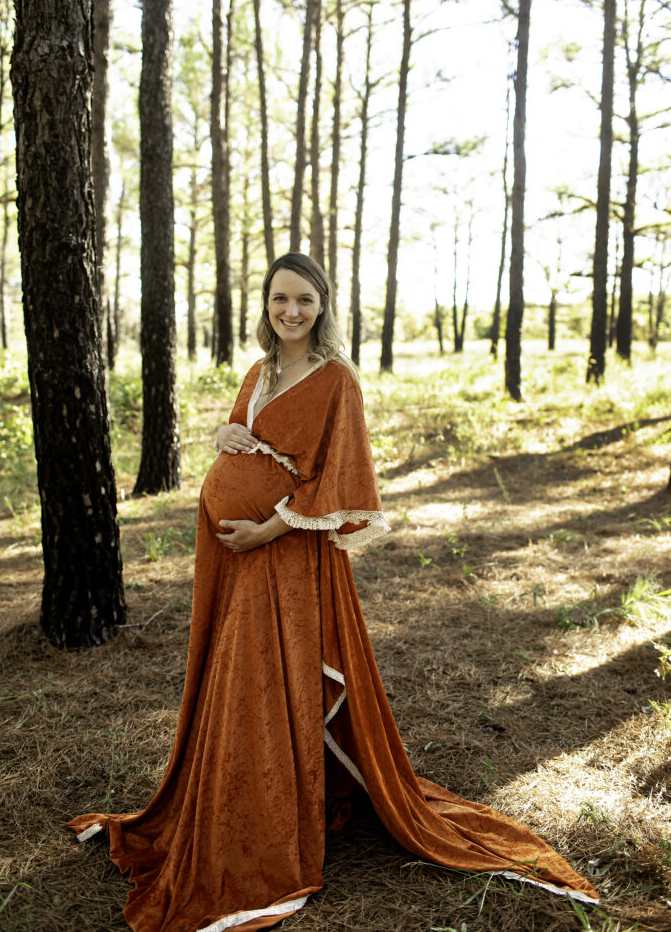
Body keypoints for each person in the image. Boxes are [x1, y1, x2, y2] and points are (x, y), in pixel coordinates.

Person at [70, 254, 597, 932]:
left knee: (273, 682)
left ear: (322, 307)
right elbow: (243, 440)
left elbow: (338, 478)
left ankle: (272, 823)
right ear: (265, 302)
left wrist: (265, 530)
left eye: (305, 301)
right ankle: (250, 799)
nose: (291, 311)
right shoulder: (260, 371)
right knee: (243, 684)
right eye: (280, 298)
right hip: (237, 564)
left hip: (287, 559)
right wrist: (227, 435)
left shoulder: (336, 379)